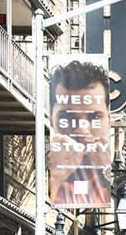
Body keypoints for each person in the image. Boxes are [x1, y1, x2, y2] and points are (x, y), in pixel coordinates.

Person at [48, 59, 114, 209]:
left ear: (109, 119)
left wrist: (105, 174)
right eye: (68, 117)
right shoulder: (43, 166)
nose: (82, 131)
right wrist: (57, 178)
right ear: (51, 117)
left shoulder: (109, 175)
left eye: (94, 117)